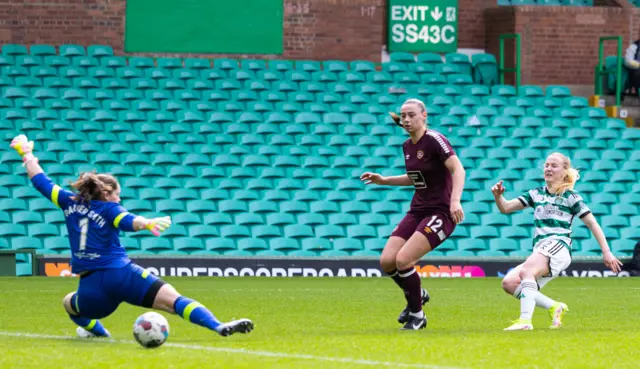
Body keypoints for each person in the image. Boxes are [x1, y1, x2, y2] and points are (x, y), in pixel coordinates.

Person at [10, 134, 254, 338]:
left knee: (69, 304)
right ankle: (218, 325)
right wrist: (146, 223)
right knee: (175, 301)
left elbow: (40, 180)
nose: (119, 199)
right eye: (118, 195)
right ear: (107, 193)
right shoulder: (109, 208)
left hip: (91, 289)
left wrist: (26, 153)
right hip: (122, 275)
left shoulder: (66, 201)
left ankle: (101, 334)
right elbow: (127, 221)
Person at [360, 99, 466, 330]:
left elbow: (458, 168)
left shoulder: (436, 140)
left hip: (441, 212)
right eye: (403, 116)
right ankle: (418, 295)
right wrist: (385, 180)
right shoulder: (408, 146)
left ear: (424, 116)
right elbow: (416, 178)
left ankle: (417, 315)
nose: (406, 120)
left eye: (411, 115)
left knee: (403, 260)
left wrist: (455, 201)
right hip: (418, 210)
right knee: (387, 261)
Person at [491, 152, 623, 331]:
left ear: (564, 171)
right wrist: (499, 197)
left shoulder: (570, 196)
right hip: (542, 248)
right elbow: (506, 208)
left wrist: (606, 251)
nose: (548, 168)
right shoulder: (535, 194)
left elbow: (592, 222)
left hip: (558, 246)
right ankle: (554, 306)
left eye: (554, 165)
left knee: (528, 270)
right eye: (546, 165)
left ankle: (525, 322)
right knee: (509, 283)